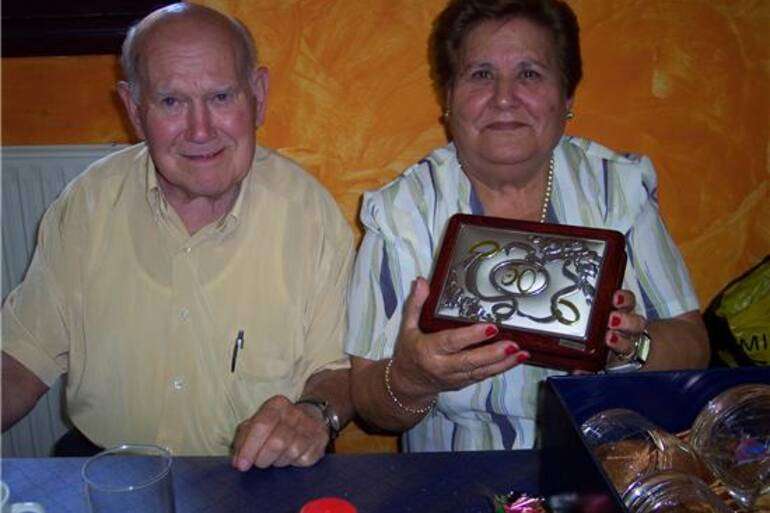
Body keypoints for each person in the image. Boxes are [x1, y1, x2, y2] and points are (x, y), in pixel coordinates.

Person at [1, 2, 355, 470]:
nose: (200, 129)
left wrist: (311, 414)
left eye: (221, 96)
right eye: (171, 101)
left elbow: (335, 372)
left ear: (258, 95)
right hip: (111, 469)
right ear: (133, 108)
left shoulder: (312, 217)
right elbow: (22, 357)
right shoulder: (87, 204)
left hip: (254, 476)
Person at [345, 0, 709, 452]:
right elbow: (369, 400)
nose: (504, 97)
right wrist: (411, 377)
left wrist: (635, 347)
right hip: (461, 476)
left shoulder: (619, 187)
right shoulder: (401, 212)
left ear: (567, 98)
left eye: (530, 74)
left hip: (611, 461)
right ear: (447, 99)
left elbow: (694, 344)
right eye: (480, 74)